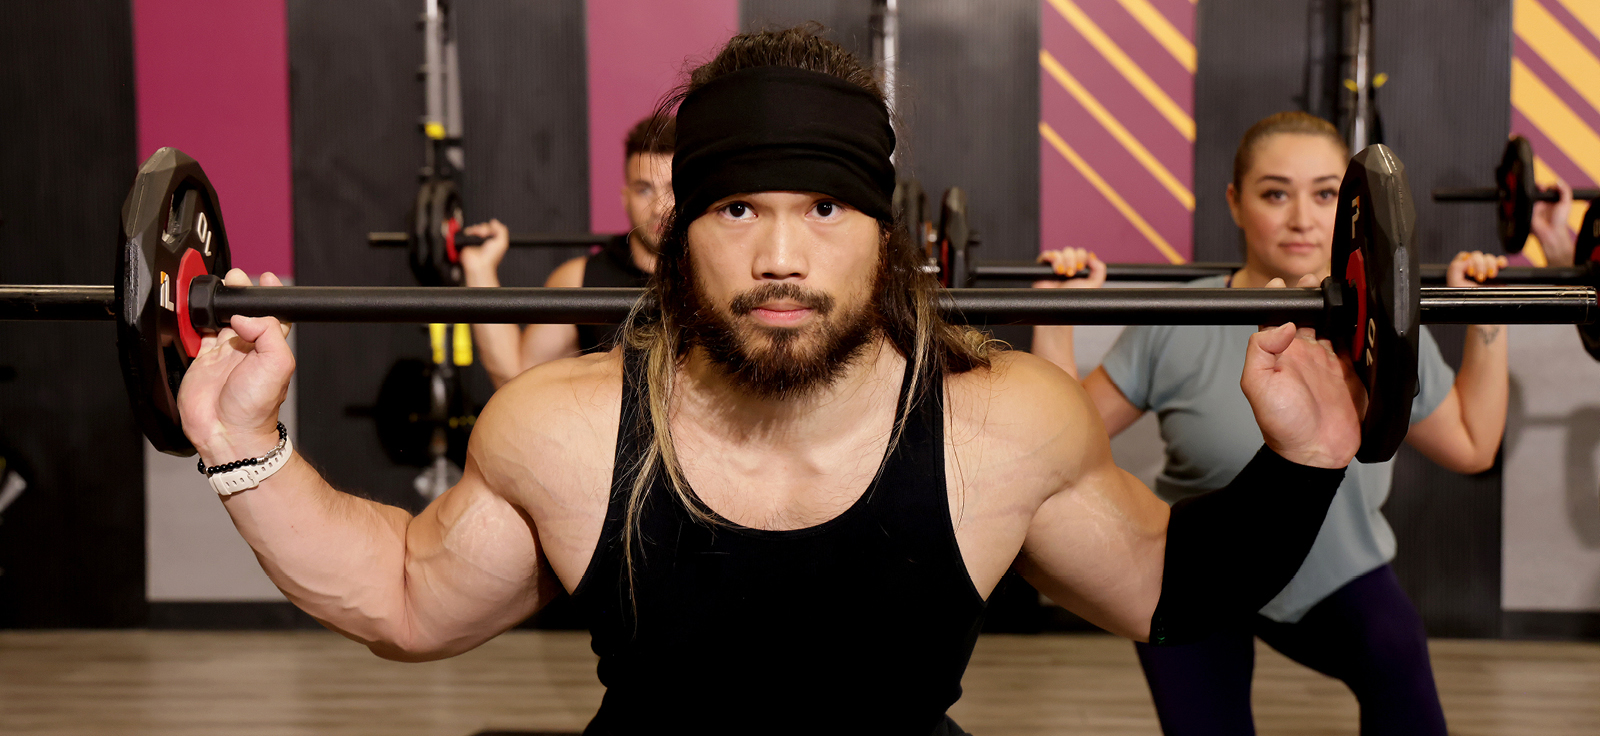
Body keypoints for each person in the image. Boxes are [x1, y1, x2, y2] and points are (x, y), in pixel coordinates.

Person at [178, 30, 1364, 735]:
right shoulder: (569, 427)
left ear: (885, 232)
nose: (781, 257)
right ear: (678, 227)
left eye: (825, 209)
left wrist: (1306, 461)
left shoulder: (1002, 420)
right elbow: (402, 598)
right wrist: (244, 446)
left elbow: (1166, 587)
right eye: (737, 208)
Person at [1029, 111, 1575, 736]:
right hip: (1201, 567)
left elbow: (1474, 446)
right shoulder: (1175, 319)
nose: (1301, 217)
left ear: (1349, 207)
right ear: (1236, 203)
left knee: (1406, 690)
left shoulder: (1383, 329)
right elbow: (1061, 446)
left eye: (1323, 193)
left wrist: (1487, 318)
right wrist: (1055, 314)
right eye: (1274, 193)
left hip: (1336, 571)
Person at [459, 115, 674, 388]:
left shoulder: (712, 273)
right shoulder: (582, 279)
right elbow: (515, 377)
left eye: (672, 189)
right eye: (644, 190)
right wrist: (480, 270)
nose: (658, 207)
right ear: (625, 198)